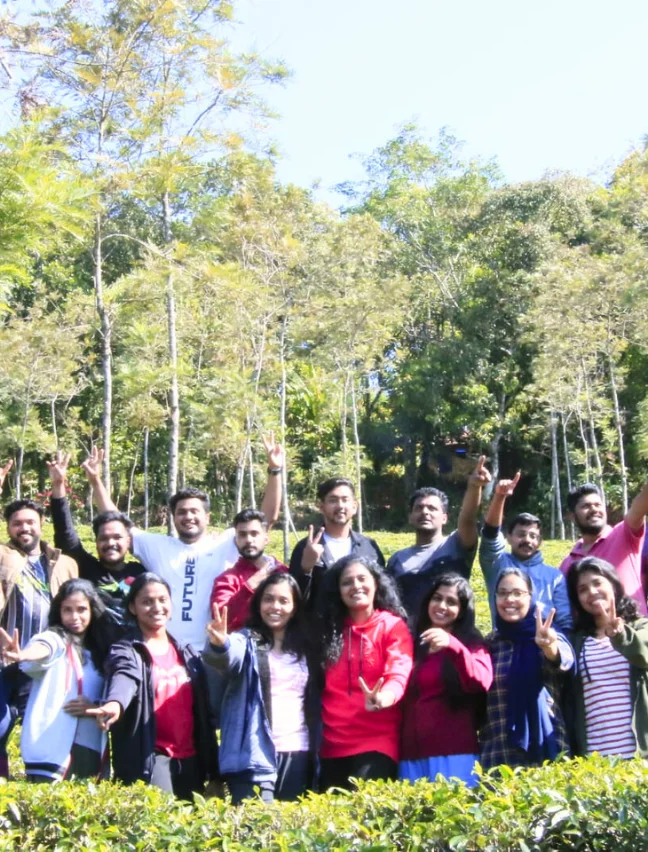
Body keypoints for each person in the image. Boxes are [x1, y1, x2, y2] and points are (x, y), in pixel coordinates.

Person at [85, 435, 284, 647]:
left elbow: (265, 519)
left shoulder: (226, 543)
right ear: (173, 518)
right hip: (168, 652)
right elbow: (117, 524)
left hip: (212, 649)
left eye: (194, 511)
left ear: (207, 517)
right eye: (181, 512)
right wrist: (95, 481)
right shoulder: (157, 546)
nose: (188, 516)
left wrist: (274, 470)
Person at [89, 573, 219, 799]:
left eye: (162, 600)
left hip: (190, 759)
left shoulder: (187, 653)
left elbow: (204, 715)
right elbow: (125, 675)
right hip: (151, 758)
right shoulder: (127, 650)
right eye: (147, 602)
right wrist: (115, 703)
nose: (157, 607)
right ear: (133, 607)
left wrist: (214, 772)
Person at [203, 573, 319, 803]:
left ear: (295, 607)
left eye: (284, 601)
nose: (275, 606)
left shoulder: (305, 647)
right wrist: (220, 644)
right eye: (268, 599)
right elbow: (228, 656)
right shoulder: (245, 640)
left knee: (292, 824)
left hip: (298, 752)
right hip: (254, 756)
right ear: (258, 604)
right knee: (256, 823)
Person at [0, 578, 116, 782]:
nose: (74, 617)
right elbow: (44, 648)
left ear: (92, 610)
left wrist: (93, 708)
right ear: (58, 612)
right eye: (67, 610)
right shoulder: (56, 638)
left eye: (81, 609)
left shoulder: (102, 650)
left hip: (89, 747)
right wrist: (22, 655)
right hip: (52, 750)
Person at [317, 555, 413, 790]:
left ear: (376, 583)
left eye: (362, 579)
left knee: (363, 809)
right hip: (331, 743)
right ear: (338, 591)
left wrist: (384, 697)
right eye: (347, 582)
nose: (356, 586)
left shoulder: (392, 626)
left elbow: (399, 671)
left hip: (377, 740)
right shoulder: (328, 629)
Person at [0, 489, 78, 777]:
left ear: (41, 523)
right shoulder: (4, 556)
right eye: (17, 523)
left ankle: (45, 790)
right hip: (4, 662)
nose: (24, 528)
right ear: (8, 527)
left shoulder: (64, 563)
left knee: (46, 732)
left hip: (44, 665)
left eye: (30, 522)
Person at [399, 573, 492, 786]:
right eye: (437, 598)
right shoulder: (414, 642)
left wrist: (453, 646)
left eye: (451, 602)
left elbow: (481, 681)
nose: (442, 606)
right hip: (410, 755)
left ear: (462, 611)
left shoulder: (471, 643)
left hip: (454, 754)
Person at [480, 567, 574, 771]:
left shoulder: (546, 634)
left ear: (531, 597)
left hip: (546, 753)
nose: (509, 599)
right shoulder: (490, 644)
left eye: (518, 593)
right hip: (497, 755)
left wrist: (549, 647)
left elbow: (565, 661)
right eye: (503, 593)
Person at [386, 456, 491, 618]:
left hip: (453, 632)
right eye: (419, 508)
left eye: (432, 508)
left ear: (444, 518)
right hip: (409, 633)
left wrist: (474, 487)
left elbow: (468, 519)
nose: (425, 512)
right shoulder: (397, 560)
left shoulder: (457, 546)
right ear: (410, 517)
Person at [48, 452, 145, 625]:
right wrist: (58, 485)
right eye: (104, 538)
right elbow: (65, 533)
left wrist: (95, 480)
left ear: (128, 541)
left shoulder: (142, 573)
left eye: (117, 537)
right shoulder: (87, 569)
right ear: (97, 542)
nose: (111, 543)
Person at [566, 557, 648, 759]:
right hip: (595, 761)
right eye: (583, 589)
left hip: (639, 757)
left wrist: (620, 635)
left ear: (614, 585)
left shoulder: (641, 627)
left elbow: (642, 653)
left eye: (597, 583)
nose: (592, 592)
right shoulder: (577, 641)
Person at [479, 472, 572, 632]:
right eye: (521, 534)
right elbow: (490, 534)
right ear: (509, 537)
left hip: (545, 642)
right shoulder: (496, 564)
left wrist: (555, 644)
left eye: (533, 536)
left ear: (540, 542)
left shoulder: (554, 577)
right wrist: (500, 497)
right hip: (505, 640)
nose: (527, 540)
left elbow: (565, 621)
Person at [290, 478, 384, 612]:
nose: (340, 506)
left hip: (361, 624)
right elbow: (293, 599)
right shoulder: (305, 547)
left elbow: (382, 592)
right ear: (321, 507)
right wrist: (306, 569)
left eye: (345, 500)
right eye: (333, 500)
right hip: (320, 623)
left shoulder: (369, 547)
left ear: (354, 506)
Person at [560, 482, 648, 615]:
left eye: (598, 505)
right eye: (586, 506)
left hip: (633, 624)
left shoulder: (624, 533)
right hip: (590, 629)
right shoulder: (568, 563)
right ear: (572, 516)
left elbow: (641, 504)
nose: (594, 509)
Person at [210, 509, 288, 633]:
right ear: (235, 540)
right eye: (242, 534)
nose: (249, 540)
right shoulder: (227, 579)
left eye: (254, 534)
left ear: (266, 538)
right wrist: (248, 587)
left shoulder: (284, 572)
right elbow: (220, 618)